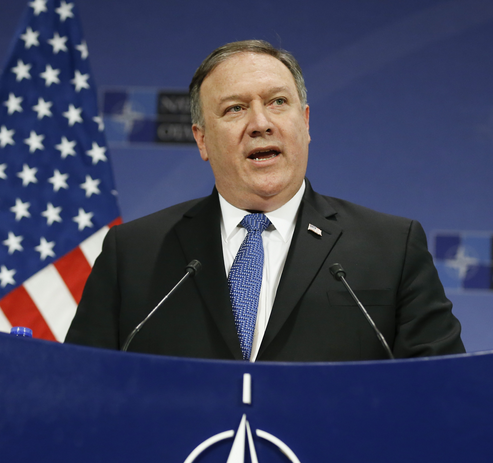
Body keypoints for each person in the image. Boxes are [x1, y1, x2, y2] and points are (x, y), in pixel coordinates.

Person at [65, 40, 464, 361]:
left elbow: (445, 395)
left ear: (305, 122)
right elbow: (78, 391)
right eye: (235, 108)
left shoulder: (391, 249)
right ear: (202, 140)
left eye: (277, 102)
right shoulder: (133, 253)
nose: (260, 123)